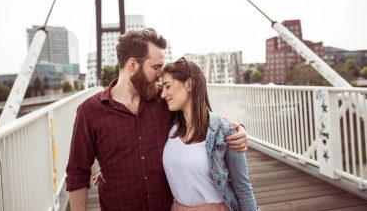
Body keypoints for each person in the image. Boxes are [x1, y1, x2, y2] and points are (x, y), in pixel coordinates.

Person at [65, 28, 249, 211]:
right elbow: (77, 174)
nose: (160, 74)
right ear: (133, 65)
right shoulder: (90, 111)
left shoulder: (165, 99)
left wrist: (237, 129)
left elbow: (201, 117)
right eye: (155, 67)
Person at [161, 57, 258, 211]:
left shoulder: (225, 131)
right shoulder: (168, 127)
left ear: (189, 84)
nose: (163, 94)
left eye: (167, 86)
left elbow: (243, 189)